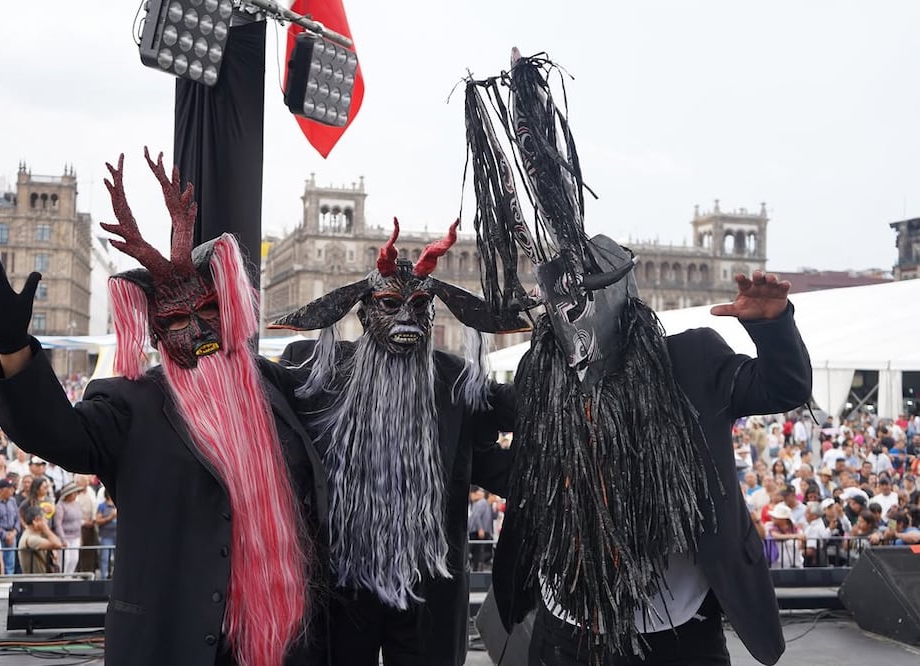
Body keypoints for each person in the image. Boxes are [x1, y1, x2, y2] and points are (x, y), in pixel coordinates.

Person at [463, 52, 812, 666]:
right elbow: (507, 446)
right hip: (568, 625)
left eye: (588, 298)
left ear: (623, 296)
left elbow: (784, 387)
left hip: (678, 632)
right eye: (560, 304)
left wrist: (773, 327)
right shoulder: (543, 375)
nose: (574, 318)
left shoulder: (693, 361)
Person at [0, 149, 327, 666]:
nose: (198, 331)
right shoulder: (130, 405)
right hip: (170, 644)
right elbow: (58, 434)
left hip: (279, 644)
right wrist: (14, 346)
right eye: (176, 321)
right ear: (155, 334)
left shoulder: (278, 389)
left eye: (207, 312)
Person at [272, 215, 520, 666]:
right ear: (364, 314)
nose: (408, 317)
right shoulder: (318, 373)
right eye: (390, 304)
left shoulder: (455, 381)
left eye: (421, 306)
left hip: (428, 587)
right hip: (344, 585)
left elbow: (510, 430)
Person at [18, 504, 63, 574]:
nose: (46, 521)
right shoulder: (30, 538)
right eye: (44, 518)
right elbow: (58, 544)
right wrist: (46, 529)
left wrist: (52, 549)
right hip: (36, 579)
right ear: (36, 520)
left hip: (42, 577)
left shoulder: (38, 534)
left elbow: (55, 543)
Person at [52, 482, 83, 574]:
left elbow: (79, 522)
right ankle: (62, 577)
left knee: (74, 559)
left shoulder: (77, 504)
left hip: (76, 536)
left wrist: (80, 536)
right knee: (65, 559)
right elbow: (58, 524)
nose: (76, 494)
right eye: (74, 492)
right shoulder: (60, 506)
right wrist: (63, 539)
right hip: (65, 536)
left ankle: (69, 576)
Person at [0, 478, 20, 574]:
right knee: (0, 564)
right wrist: (5, 535)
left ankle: (10, 581)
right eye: (9, 488)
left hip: (12, 534)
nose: (12, 491)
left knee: (10, 564)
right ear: (1, 490)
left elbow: (17, 518)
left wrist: (14, 533)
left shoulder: (13, 501)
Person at [468, 486, 495, 572]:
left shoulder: (488, 505)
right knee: (477, 551)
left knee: (480, 552)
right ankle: (475, 569)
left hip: (482, 532)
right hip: (477, 532)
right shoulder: (482, 503)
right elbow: (476, 516)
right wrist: (480, 529)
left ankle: (477, 568)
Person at [96, 489, 117, 580]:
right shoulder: (102, 506)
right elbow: (98, 520)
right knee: (105, 558)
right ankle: (104, 577)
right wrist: (110, 517)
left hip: (117, 536)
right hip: (106, 536)